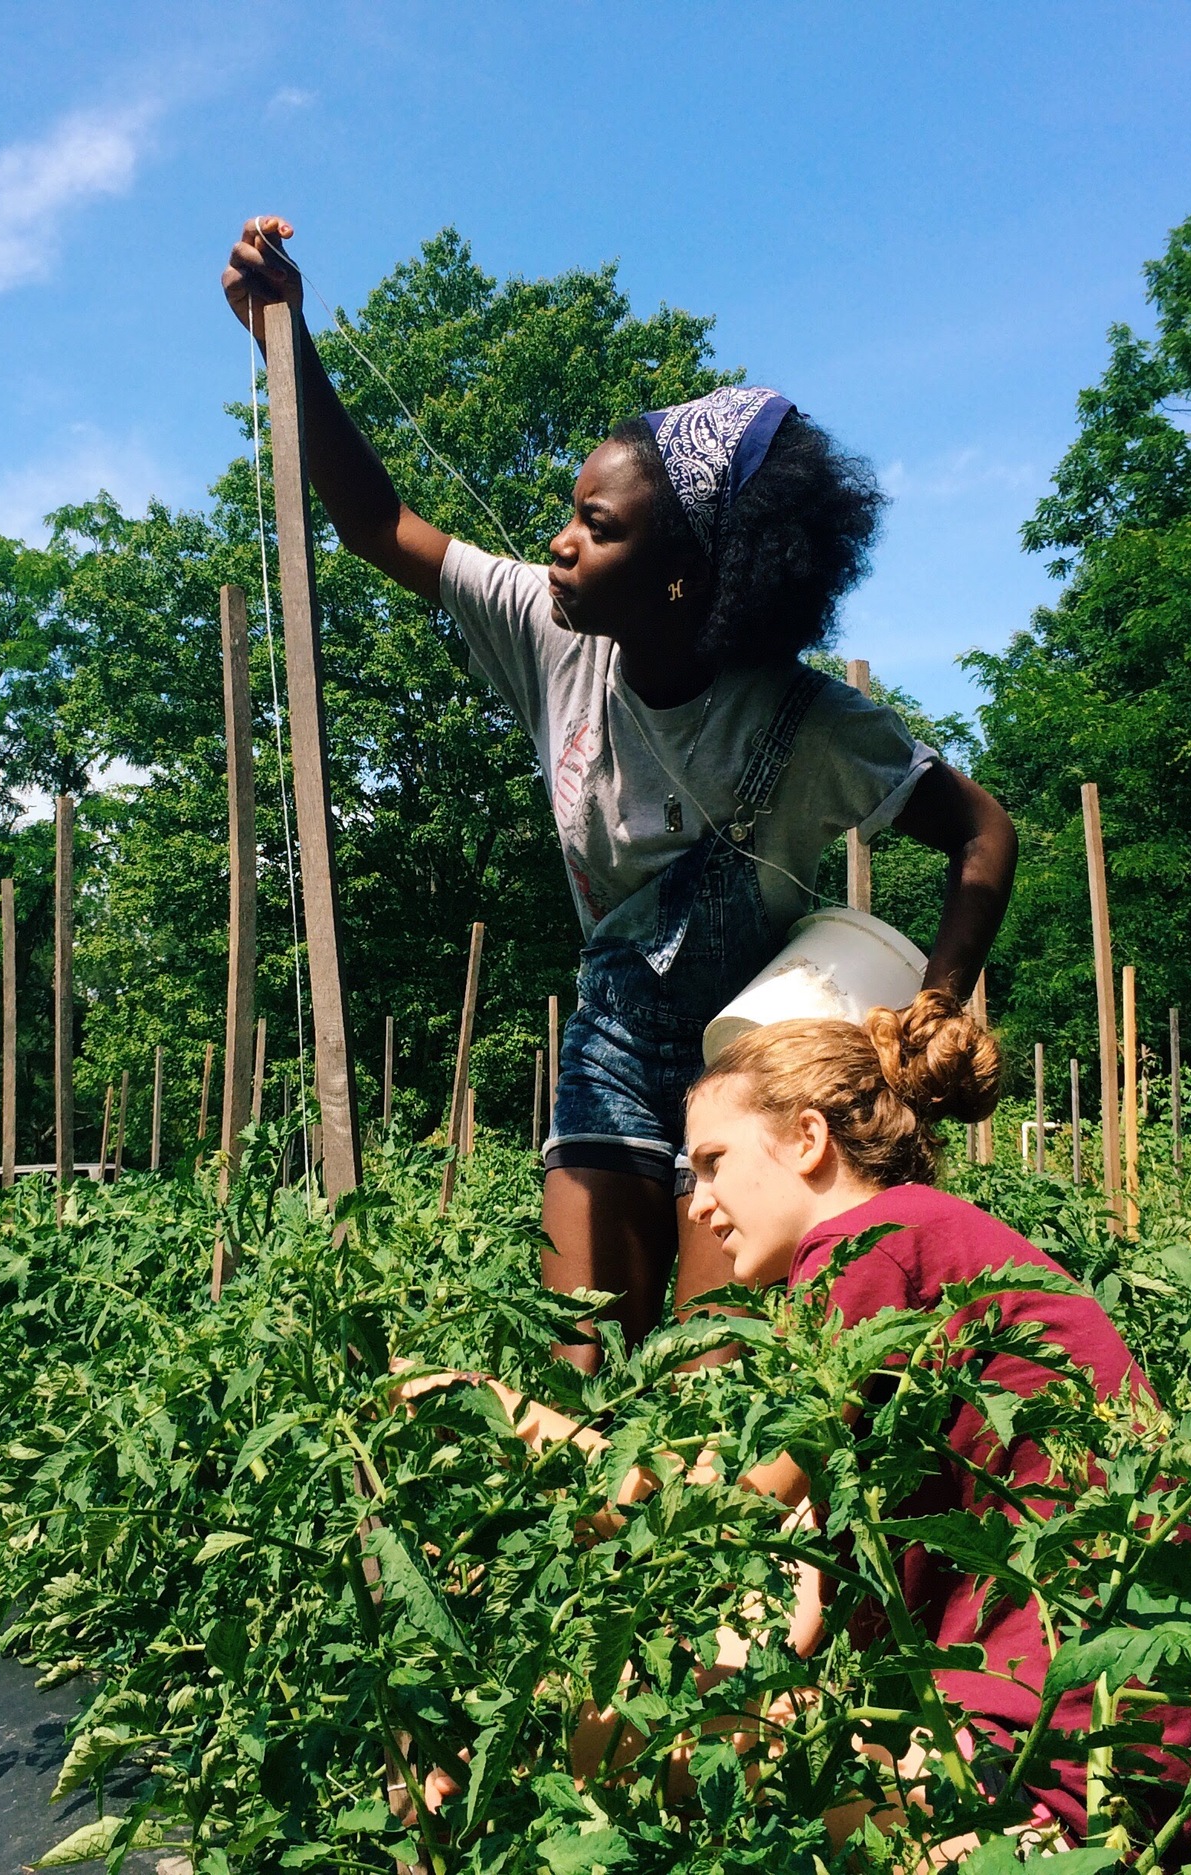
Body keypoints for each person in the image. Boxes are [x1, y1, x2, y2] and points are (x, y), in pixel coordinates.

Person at [221, 217, 1018, 1364]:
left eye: (594, 528)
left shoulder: (810, 725)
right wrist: (284, 345)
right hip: (610, 1029)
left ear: (684, 575)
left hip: (755, 1053)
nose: (557, 544)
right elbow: (377, 525)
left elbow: (982, 832)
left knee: (709, 1364)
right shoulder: (554, 635)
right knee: (577, 1346)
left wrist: (935, 1005)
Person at [682, 991, 1191, 1842]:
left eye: (712, 1161)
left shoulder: (867, 1240)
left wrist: (517, 1426)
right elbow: (818, 1565)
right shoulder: (928, 1233)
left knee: (635, 1735)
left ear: (807, 1139)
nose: (699, 1203)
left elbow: (729, 1512)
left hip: (1048, 1757)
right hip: (1131, 1743)